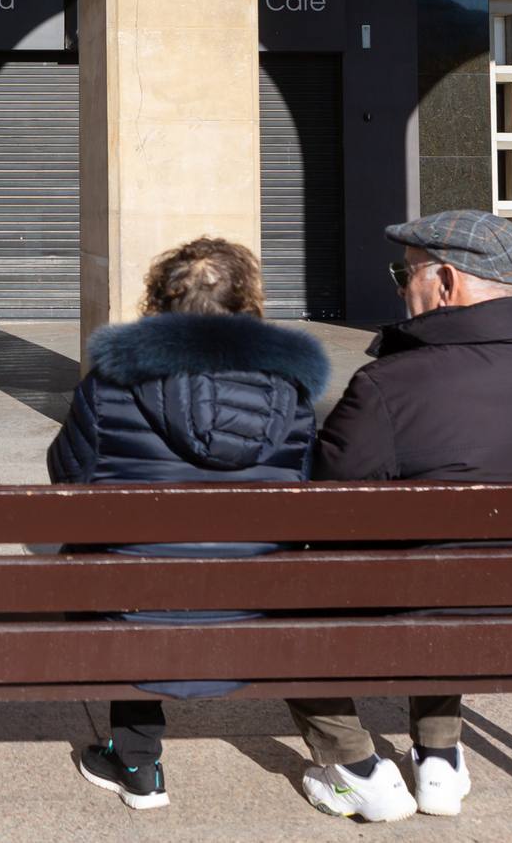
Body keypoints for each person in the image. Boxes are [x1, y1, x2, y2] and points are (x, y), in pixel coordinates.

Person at [290, 210, 512, 823]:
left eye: (405, 272)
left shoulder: (389, 385)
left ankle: (354, 766)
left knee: (293, 583)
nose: (398, 286)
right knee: (451, 566)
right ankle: (439, 759)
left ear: (445, 282)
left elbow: (324, 508)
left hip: (424, 605)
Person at [48, 236, 330, 811]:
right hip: (255, 600)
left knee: (114, 558)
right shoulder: (294, 391)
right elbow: (306, 489)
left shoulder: (109, 383)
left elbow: (66, 479)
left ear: (158, 299)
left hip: (130, 603)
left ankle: (136, 761)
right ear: (248, 303)